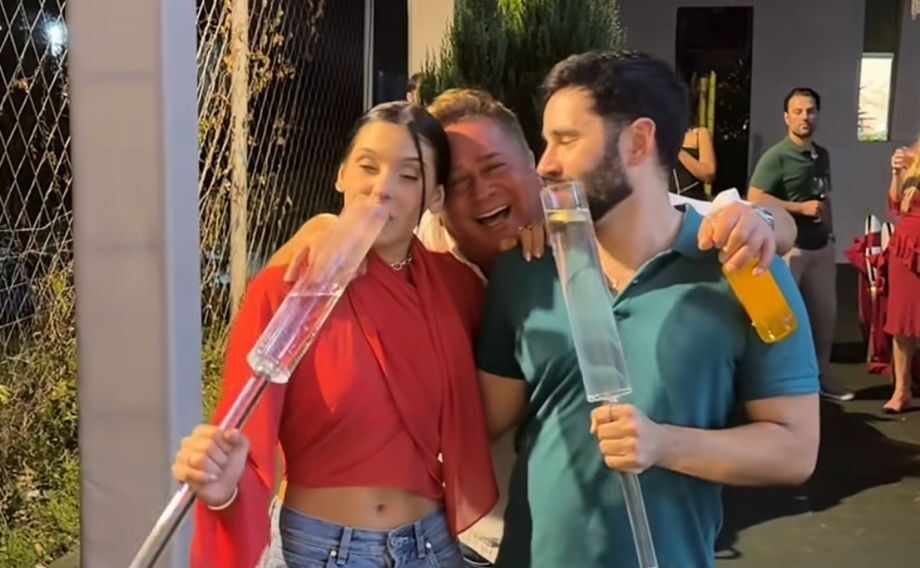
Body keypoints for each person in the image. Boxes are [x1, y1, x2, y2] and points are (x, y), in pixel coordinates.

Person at [269, 88, 798, 567]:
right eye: (456, 183)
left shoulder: (608, 227)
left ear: (534, 164)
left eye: (495, 167)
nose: (480, 192)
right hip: (454, 537)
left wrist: (764, 222)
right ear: (436, 198)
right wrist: (321, 227)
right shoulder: (424, 255)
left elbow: (744, 217)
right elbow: (303, 299)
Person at [476, 51, 820, 568]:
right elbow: (478, 422)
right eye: (545, 142)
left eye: (566, 140)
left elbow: (795, 449)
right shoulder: (526, 270)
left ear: (638, 141)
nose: (545, 164)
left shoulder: (745, 269)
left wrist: (663, 444)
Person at [172, 101, 498, 568]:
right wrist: (224, 490)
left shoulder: (457, 288)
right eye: (368, 166)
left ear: (436, 198)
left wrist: (537, 238)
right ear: (342, 175)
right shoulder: (289, 289)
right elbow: (246, 437)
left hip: (432, 546)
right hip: (325, 550)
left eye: (409, 176)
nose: (382, 188)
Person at [748, 87, 854, 402]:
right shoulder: (776, 156)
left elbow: (824, 198)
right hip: (790, 250)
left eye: (810, 111)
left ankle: (823, 378)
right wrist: (799, 208)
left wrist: (831, 233)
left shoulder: (822, 155)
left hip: (821, 249)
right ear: (787, 117)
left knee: (825, 318)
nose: (804, 117)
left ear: (817, 115)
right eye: (798, 111)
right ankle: (781, 386)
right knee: (785, 319)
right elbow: (755, 197)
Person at [883, 139, 920, 413]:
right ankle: (901, 390)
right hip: (906, 246)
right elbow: (895, 203)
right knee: (902, 322)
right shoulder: (912, 155)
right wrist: (896, 173)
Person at [669, 80, 717, 201]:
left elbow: (708, 174)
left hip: (692, 202)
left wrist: (679, 151)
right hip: (664, 203)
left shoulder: (700, 134)